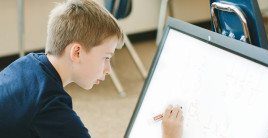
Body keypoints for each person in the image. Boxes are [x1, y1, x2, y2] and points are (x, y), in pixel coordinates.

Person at [0, 0, 183, 137]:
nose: (108, 69)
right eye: (106, 58)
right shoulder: (50, 105)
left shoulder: (27, 63)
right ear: (77, 52)